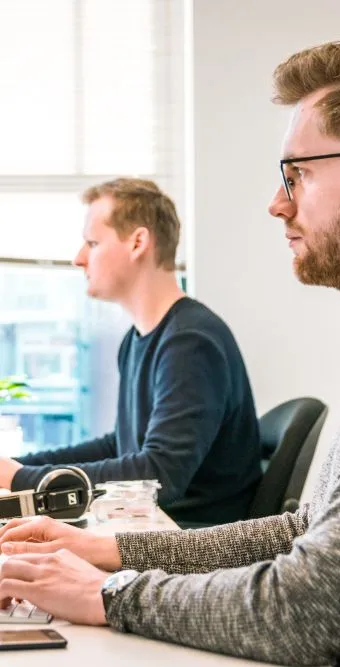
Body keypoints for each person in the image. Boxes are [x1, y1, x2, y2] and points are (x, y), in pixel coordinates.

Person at [1, 28, 340, 666]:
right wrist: (112, 551)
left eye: (296, 175)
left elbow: (309, 608)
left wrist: (109, 593)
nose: (276, 203)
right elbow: (307, 531)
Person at [0, 178, 262, 526]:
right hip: (153, 527)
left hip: (188, 539)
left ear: (138, 242)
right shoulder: (139, 339)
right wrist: (20, 467)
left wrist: (22, 479)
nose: (79, 259)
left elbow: (159, 476)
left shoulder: (191, 342)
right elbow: (120, 446)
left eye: (92, 243)